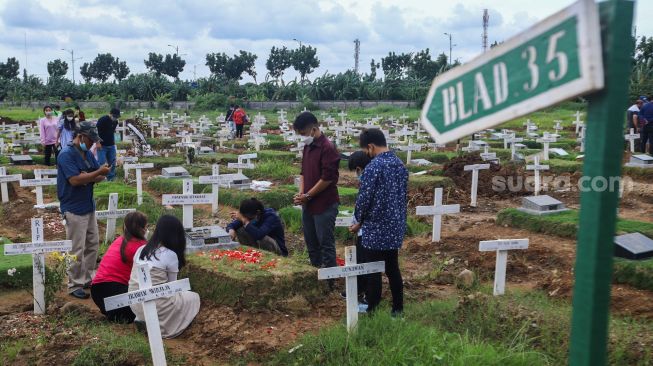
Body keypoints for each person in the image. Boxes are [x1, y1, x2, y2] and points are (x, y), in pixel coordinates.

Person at [349, 128, 408, 317]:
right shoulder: (399, 164)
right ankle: (397, 308)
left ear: (371, 146)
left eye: (367, 151)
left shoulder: (373, 168)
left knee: (372, 269)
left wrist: (358, 221)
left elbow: (364, 200)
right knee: (392, 268)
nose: (367, 154)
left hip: (375, 227)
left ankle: (373, 309)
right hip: (395, 226)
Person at [57, 121, 110, 299]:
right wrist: (96, 174)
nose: (92, 144)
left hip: (88, 205)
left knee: (92, 244)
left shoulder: (87, 153)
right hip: (73, 206)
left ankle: (86, 278)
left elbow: (98, 175)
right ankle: (74, 284)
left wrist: (103, 172)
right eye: (90, 140)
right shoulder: (66, 154)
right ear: (81, 137)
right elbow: (75, 180)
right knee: (76, 248)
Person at [129, 215, 200, 339]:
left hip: (135, 303)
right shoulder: (170, 254)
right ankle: (164, 326)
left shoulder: (141, 249)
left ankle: (142, 319)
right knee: (193, 297)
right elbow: (173, 287)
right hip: (158, 304)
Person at [292, 112, 340, 270]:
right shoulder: (307, 146)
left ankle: (330, 281)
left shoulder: (327, 148)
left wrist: (308, 195)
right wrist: (301, 194)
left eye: (303, 134)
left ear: (313, 129)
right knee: (311, 243)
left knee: (325, 243)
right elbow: (303, 173)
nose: (302, 137)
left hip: (324, 205)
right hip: (308, 204)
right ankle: (315, 273)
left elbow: (327, 178)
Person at [91, 212, 148, 323]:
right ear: (142, 228)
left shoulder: (120, 240)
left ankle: (116, 315)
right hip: (115, 292)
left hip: (97, 292)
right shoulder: (140, 246)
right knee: (146, 310)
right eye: (146, 227)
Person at [342, 150, 372, 304]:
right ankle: (359, 289)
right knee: (361, 259)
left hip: (367, 230)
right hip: (362, 228)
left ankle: (366, 293)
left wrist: (358, 224)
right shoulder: (367, 180)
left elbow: (368, 207)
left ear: (360, 168)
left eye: (356, 170)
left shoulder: (370, 182)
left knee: (365, 262)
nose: (356, 174)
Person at [96, 108, 120, 181]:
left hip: (111, 145)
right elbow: (95, 132)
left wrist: (113, 142)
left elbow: (111, 132)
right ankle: (101, 178)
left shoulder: (115, 122)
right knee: (102, 162)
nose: (115, 118)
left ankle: (111, 178)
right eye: (114, 116)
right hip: (102, 145)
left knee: (112, 162)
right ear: (110, 113)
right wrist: (97, 142)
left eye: (117, 117)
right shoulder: (102, 120)